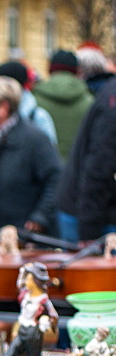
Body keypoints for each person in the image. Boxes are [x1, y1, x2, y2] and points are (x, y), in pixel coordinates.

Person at [0, 77, 61, 234]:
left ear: (3, 107)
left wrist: (39, 217)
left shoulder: (34, 139)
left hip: (25, 233)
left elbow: (55, 178)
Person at [56, 74, 116, 240]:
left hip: (90, 210)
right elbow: (99, 168)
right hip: (92, 216)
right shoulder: (113, 102)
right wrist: (89, 233)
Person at [33, 50, 95, 163]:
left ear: (50, 70)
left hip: (44, 170)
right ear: (77, 71)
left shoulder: (34, 100)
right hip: (77, 170)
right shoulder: (90, 101)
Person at [5, 261, 58, 356]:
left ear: (35, 282)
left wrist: (46, 322)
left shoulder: (43, 300)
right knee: (10, 354)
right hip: (22, 329)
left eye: (29, 279)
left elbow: (54, 316)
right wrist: (23, 271)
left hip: (34, 333)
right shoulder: (26, 295)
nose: (26, 281)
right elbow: (20, 284)